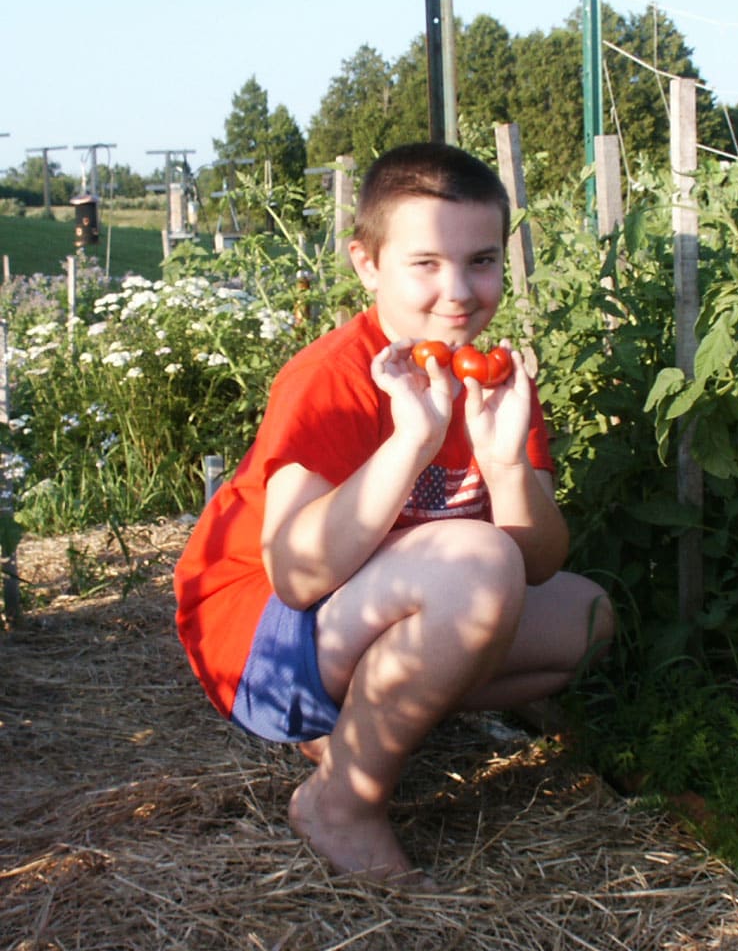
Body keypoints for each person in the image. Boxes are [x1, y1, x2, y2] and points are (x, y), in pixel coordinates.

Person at [174, 142, 613, 888]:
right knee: (477, 565)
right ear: (367, 264)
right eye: (426, 265)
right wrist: (412, 441)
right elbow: (295, 575)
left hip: (372, 616)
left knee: (587, 617)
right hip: (261, 643)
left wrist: (507, 465)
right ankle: (340, 803)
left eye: (481, 261)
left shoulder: (495, 377)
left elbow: (540, 562)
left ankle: (355, 733)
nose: (459, 292)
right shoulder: (333, 379)